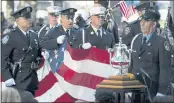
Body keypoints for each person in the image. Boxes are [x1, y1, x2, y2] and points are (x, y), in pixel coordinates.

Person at [128, 8, 172, 102]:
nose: (142, 24)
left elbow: (165, 69)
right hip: (135, 91)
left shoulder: (161, 42)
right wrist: (128, 86)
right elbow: (132, 65)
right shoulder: (135, 40)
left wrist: (161, 93)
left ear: (154, 24)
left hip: (152, 93)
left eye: (146, 21)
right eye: (141, 20)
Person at [1, 6, 41, 96]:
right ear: (18, 20)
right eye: (26, 18)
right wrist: (8, 78)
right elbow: (2, 59)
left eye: (29, 17)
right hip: (18, 80)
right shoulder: (10, 36)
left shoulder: (34, 36)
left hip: (32, 79)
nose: (29, 20)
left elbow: (38, 55)